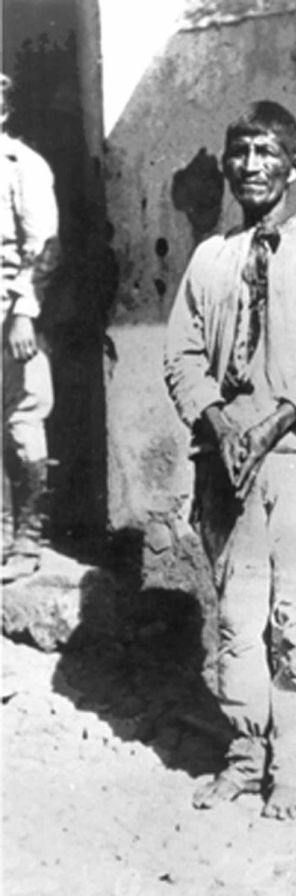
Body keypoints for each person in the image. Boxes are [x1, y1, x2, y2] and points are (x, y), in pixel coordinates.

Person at [165, 100, 296, 819]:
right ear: (227, 164)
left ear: (295, 166)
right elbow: (182, 356)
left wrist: (272, 426)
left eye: (267, 152)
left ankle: (295, 770)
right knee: (236, 621)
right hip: (228, 466)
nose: (252, 165)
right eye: (241, 152)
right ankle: (246, 752)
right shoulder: (210, 259)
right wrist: (222, 425)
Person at [1, 73, 59, 582]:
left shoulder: (23, 166)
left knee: (23, 424)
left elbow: (44, 246)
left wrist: (24, 310)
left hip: (13, 318)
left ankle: (27, 540)